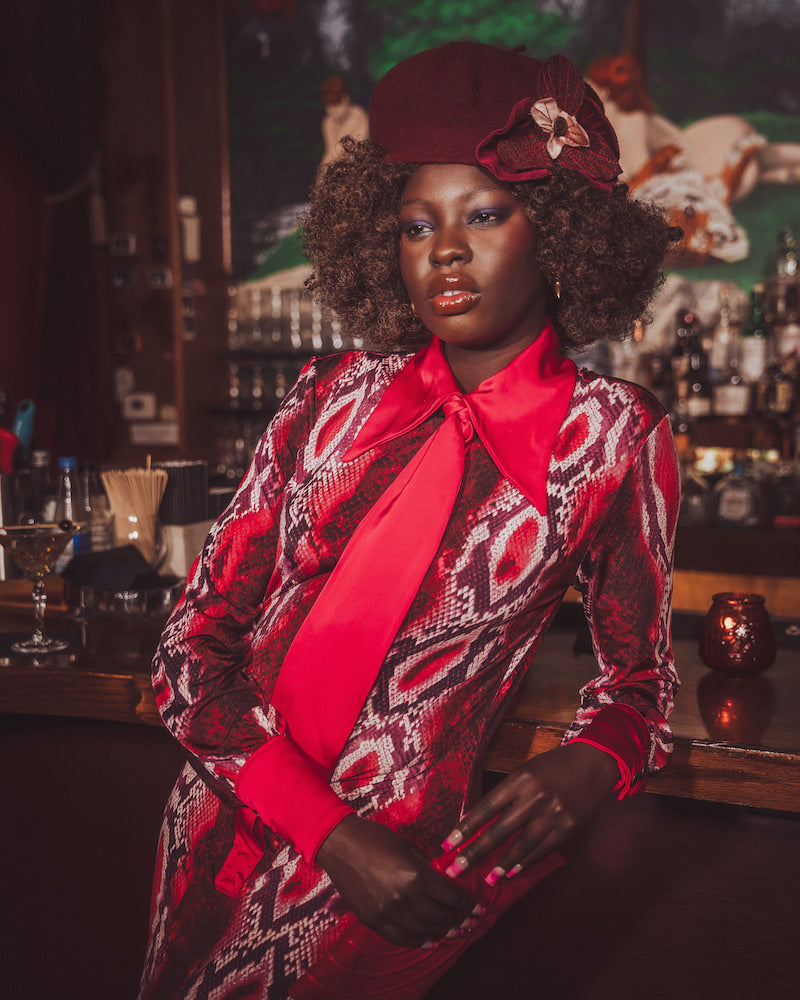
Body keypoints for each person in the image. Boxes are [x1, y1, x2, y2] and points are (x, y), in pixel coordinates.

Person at [138, 41, 681, 1000]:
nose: (447, 250)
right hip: (224, 815)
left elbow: (640, 680)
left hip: (393, 871)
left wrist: (591, 763)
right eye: (415, 224)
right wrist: (325, 831)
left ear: (556, 230)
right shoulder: (327, 398)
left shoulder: (610, 437)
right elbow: (188, 651)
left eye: (486, 213)